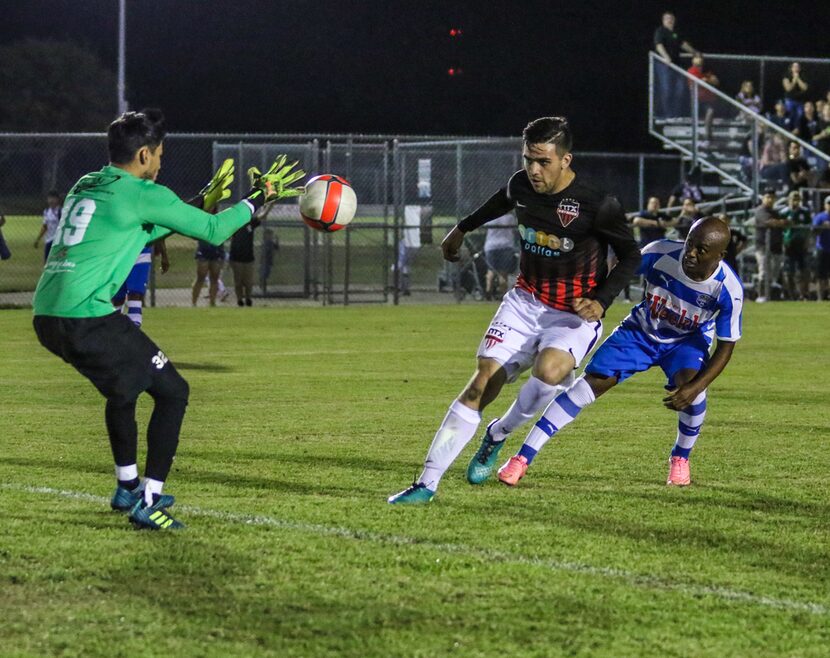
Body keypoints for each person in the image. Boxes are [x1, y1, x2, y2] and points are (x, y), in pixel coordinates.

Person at [31, 109, 305, 530]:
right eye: (159, 154)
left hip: (48, 315)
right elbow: (213, 231)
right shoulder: (145, 193)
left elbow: (140, 229)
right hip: (88, 317)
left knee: (123, 390)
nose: (161, 162)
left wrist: (197, 202)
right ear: (143, 154)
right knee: (173, 392)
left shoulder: (88, 183)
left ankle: (127, 487)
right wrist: (259, 199)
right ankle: (149, 500)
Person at [387, 116, 640, 504]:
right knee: (480, 383)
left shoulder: (597, 203)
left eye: (543, 162)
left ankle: (499, 434)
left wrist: (602, 299)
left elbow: (630, 256)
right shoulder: (520, 184)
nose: (534, 170)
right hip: (524, 301)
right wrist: (462, 228)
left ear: (565, 160)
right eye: (528, 160)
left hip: (572, 313)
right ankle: (426, 484)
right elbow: (502, 200)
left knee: (548, 373)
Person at [494, 217, 742, 488]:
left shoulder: (728, 289)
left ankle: (680, 458)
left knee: (695, 395)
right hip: (639, 332)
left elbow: (726, 347)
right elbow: (620, 270)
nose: (691, 253)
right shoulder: (660, 252)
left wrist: (695, 387)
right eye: (689, 243)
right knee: (585, 388)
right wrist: (597, 299)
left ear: (720, 255)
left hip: (686, 341)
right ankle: (522, 458)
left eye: (701, 250)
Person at [112, 240, 169, 327]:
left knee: (135, 294)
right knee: (117, 298)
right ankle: (114, 330)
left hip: (141, 252)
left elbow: (157, 227)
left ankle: (134, 332)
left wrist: (164, 254)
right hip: (119, 251)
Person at [653, 11, 697, 119]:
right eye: (667, 18)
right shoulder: (660, 31)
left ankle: (676, 114)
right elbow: (659, 45)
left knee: (681, 89)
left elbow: (683, 44)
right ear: (663, 20)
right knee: (667, 89)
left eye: (671, 18)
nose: (670, 20)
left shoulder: (676, 33)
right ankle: (668, 115)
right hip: (664, 65)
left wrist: (695, 52)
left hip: (677, 65)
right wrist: (666, 57)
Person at [753, 189, 788, 302]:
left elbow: (786, 223)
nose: (770, 199)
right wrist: (781, 222)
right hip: (763, 246)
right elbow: (769, 222)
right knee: (763, 272)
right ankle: (761, 295)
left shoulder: (775, 212)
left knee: (774, 274)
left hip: (775, 246)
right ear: (763, 198)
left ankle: (771, 296)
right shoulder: (760, 210)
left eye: (772, 197)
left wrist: (782, 222)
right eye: (768, 197)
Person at [781, 190, 812, 300]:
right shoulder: (783, 212)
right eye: (794, 199)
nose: (795, 202)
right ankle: (791, 294)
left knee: (804, 271)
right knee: (789, 271)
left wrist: (807, 242)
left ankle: (803, 294)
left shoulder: (805, 212)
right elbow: (780, 230)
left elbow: (809, 229)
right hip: (788, 245)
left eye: (798, 199)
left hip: (801, 245)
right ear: (789, 200)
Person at [192, 208, 226, 307]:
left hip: (216, 251)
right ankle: (194, 302)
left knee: (214, 277)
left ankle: (212, 302)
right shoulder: (202, 220)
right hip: (204, 251)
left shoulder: (220, 220)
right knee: (201, 277)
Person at [482, 212, 518, 300]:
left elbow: (483, 228)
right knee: (503, 272)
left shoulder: (490, 216)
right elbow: (514, 231)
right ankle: (503, 295)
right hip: (506, 245)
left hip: (491, 246)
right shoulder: (509, 217)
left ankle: (488, 291)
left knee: (491, 271)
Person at [687, 54, 719, 142]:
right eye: (696, 57)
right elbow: (693, 85)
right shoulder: (691, 71)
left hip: (708, 98)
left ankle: (708, 135)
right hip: (697, 99)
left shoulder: (707, 70)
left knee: (710, 112)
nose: (699, 59)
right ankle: (696, 135)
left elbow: (715, 81)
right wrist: (704, 81)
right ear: (693, 60)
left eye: (700, 57)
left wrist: (708, 80)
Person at [230, 217, 261, 306]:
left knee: (248, 281)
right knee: (238, 281)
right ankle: (239, 300)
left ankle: (248, 298)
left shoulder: (250, 224)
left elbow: (262, 217)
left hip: (248, 258)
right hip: (236, 257)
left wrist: (269, 207)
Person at [33, 190, 62, 262]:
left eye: (53, 198)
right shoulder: (46, 211)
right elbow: (45, 227)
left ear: (57, 200)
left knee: (57, 261)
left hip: (58, 241)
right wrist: (38, 239)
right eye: (49, 198)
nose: (51, 200)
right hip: (48, 240)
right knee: (47, 262)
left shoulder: (61, 211)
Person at [811, 196, 830, 301]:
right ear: (825, 205)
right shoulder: (820, 217)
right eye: (829, 203)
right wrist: (822, 227)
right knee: (821, 276)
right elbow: (813, 232)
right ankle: (820, 298)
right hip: (822, 249)